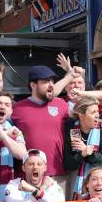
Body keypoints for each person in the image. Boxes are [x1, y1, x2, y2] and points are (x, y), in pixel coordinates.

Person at [10, 64, 74, 195]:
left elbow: (85, 118)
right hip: (28, 177)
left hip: (58, 174)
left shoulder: (61, 104)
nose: (51, 85)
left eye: (52, 81)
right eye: (45, 81)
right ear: (33, 85)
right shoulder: (16, 109)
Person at [63, 97, 102, 196]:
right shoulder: (72, 130)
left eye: (97, 111)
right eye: (93, 112)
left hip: (97, 185)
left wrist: (90, 154)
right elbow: (68, 164)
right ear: (81, 116)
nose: (97, 115)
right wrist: (82, 154)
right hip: (74, 183)